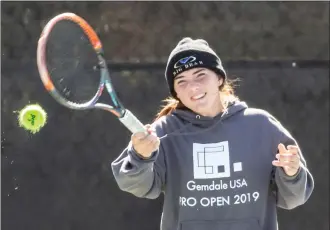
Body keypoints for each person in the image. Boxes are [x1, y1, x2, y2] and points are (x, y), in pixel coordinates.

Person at [111, 37, 314, 230]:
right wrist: (140, 157)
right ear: (176, 92)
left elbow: (294, 198)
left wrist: (292, 173)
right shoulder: (163, 131)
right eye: (181, 81)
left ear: (219, 79)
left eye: (201, 75)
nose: (193, 86)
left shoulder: (260, 125)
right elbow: (134, 184)